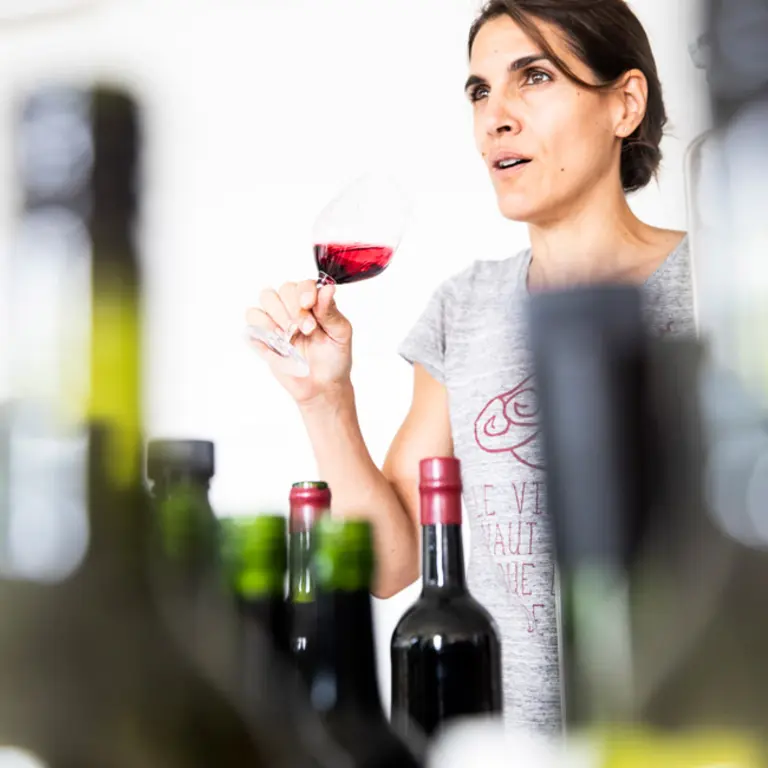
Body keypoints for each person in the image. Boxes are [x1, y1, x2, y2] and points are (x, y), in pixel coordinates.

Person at [246, 0, 693, 736]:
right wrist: (325, 397)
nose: (496, 117)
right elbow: (392, 564)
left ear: (625, 103)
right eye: (480, 90)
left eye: (535, 77)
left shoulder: (720, 284)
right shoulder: (467, 309)